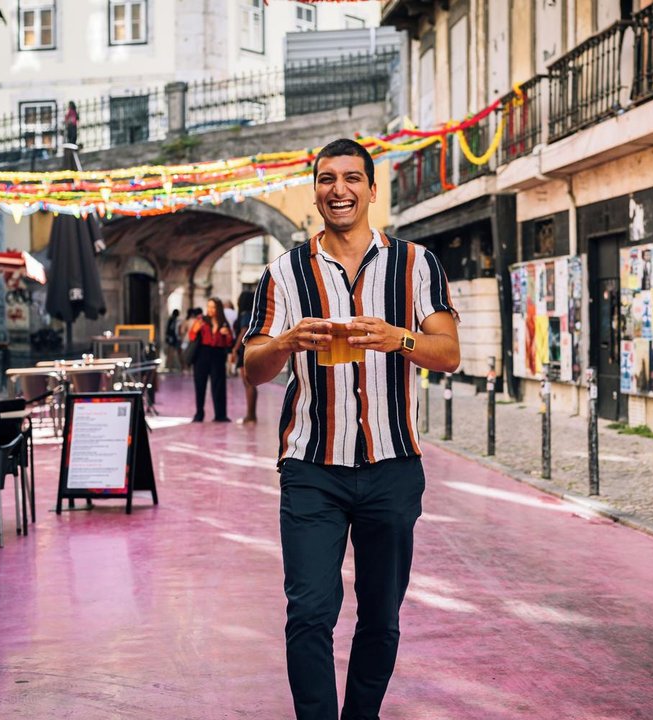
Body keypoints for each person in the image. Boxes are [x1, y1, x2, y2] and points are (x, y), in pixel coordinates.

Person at [243, 138, 460, 720]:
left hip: (393, 468)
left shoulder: (417, 265)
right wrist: (287, 341)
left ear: (370, 188)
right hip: (312, 468)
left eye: (351, 178)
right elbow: (252, 367)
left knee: (381, 615)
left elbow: (449, 354)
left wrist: (399, 338)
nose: (338, 188)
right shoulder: (283, 273)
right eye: (326, 178)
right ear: (314, 188)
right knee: (310, 611)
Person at [189, 298, 233, 422]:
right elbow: (191, 336)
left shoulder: (224, 323)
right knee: (200, 384)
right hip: (202, 354)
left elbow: (229, 343)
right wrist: (195, 329)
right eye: (208, 307)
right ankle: (199, 414)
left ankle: (220, 415)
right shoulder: (201, 320)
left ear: (218, 308)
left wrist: (227, 334)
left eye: (213, 307)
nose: (210, 310)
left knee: (219, 385)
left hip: (218, 355)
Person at [229, 290, 257, 424]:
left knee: (248, 383)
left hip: (244, 350)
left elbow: (243, 330)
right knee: (250, 383)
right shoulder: (253, 314)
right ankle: (251, 414)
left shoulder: (245, 314)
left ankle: (250, 415)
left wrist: (235, 348)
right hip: (249, 349)